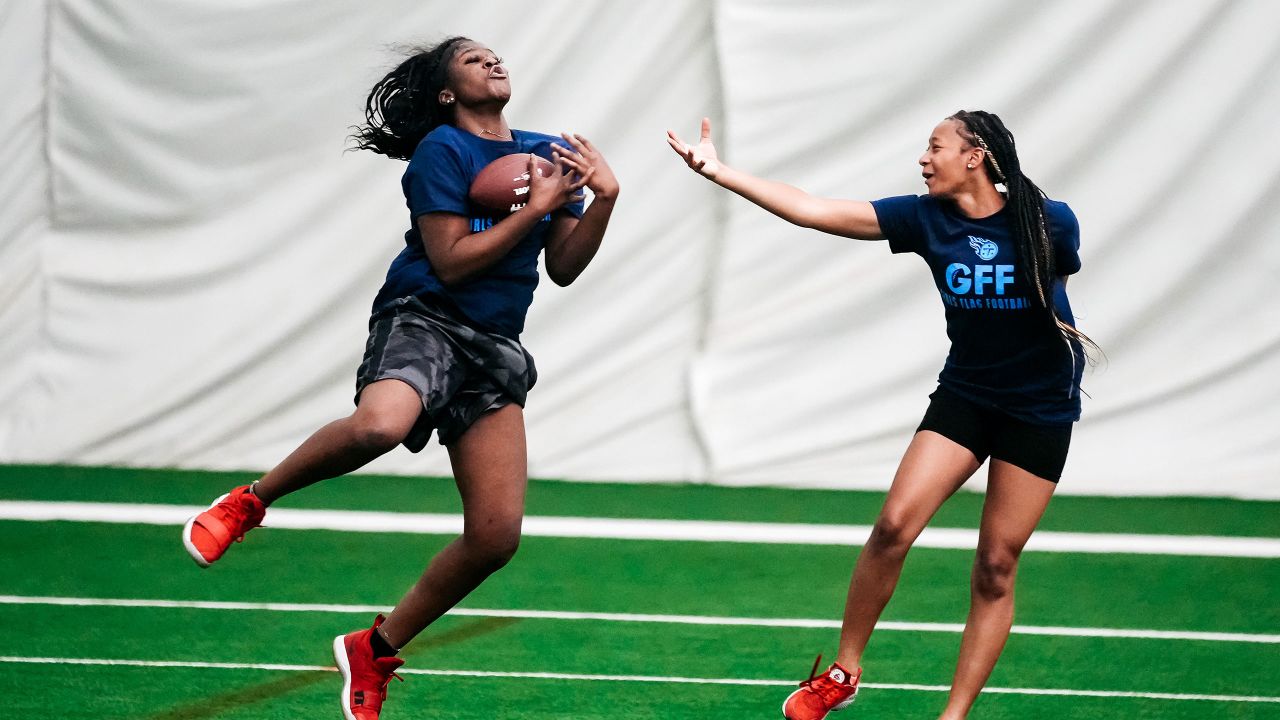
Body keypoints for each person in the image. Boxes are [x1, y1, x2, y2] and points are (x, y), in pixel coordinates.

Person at [182, 37, 619, 720]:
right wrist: (536, 208)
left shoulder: (544, 153)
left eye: (496, 56)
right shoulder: (441, 152)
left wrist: (604, 200)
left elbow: (562, 267)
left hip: (495, 342)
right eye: (473, 60)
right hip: (427, 316)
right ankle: (252, 501)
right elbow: (451, 263)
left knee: (497, 536)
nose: (493, 62)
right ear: (446, 93)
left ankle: (375, 647)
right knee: (381, 423)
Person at [668, 110, 1095, 720]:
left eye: (936, 147)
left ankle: (954, 715)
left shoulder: (1051, 222)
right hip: (967, 396)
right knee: (894, 525)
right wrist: (721, 172)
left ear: (975, 157)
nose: (924, 159)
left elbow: (1060, 290)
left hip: (1041, 408)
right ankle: (844, 672)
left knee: (996, 565)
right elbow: (811, 208)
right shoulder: (922, 217)